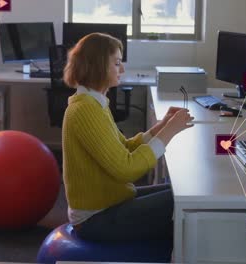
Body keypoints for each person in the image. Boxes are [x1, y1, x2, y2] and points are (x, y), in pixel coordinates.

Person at [62, 32, 194, 242]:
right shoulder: (85, 110)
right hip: (96, 219)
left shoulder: (94, 103)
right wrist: (170, 133)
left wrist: (160, 127)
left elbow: (123, 147)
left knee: (181, 191)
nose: (122, 69)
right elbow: (126, 169)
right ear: (98, 66)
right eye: (116, 63)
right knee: (187, 203)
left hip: (108, 204)